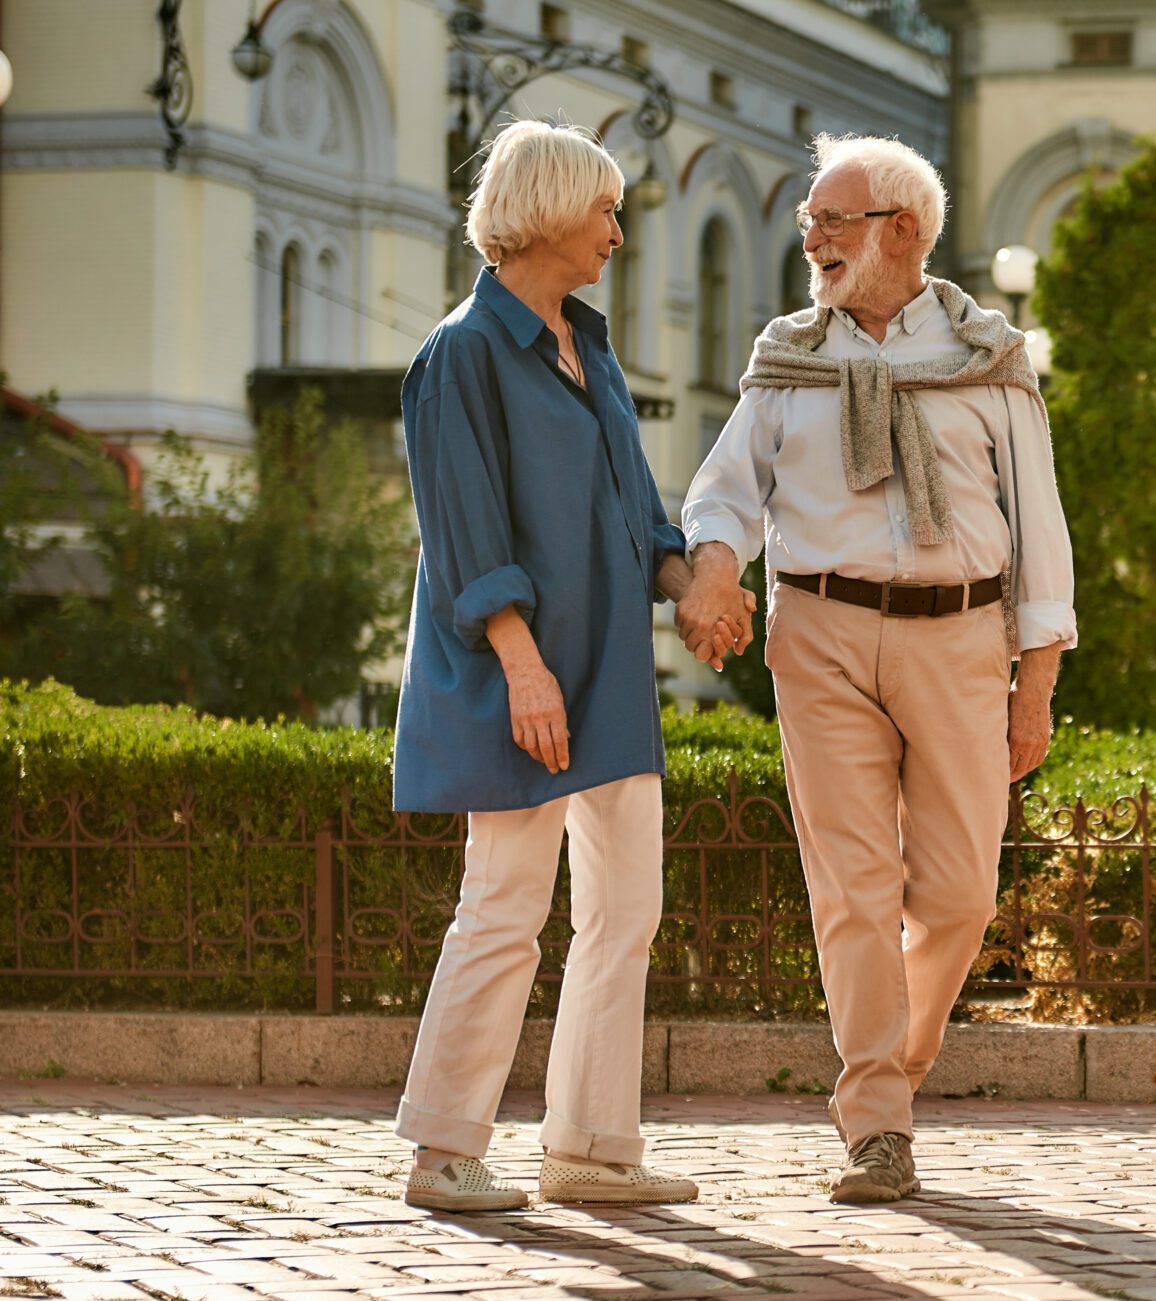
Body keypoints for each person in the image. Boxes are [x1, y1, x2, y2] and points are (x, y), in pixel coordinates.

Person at [678, 134, 1075, 1204]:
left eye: (830, 221)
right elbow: (725, 490)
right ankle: (876, 1122)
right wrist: (714, 569)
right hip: (818, 633)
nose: (811, 240)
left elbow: (1039, 525)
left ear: (901, 229)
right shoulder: (787, 351)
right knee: (852, 888)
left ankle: (893, 1063)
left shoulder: (989, 354)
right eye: (809, 223)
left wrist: (1034, 680)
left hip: (959, 636)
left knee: (956, 892)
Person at [390, 120, 740, 1211]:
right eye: (604, 212)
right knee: (502, 904)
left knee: (626, 907)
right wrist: (522, 665)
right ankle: (445, 1150)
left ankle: (590, 1143)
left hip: (608, 676)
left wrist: (693, 597)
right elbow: (465, 533)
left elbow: (640, 511)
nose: (617, 236)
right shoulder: (459, 353)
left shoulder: (588, 347)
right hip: (519, 674)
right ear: (547, 210)